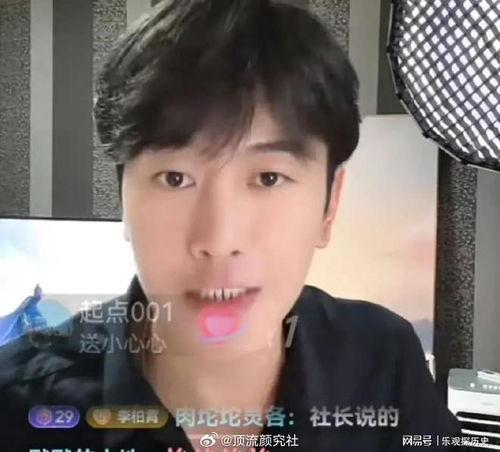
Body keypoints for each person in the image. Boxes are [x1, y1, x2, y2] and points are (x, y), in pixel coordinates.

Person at [0, 0, 468, 451]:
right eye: (175, 178)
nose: (219, 240)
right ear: (124, 199)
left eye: (269, 178)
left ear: (330, 207)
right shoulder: (17, 404)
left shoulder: (383, 362)